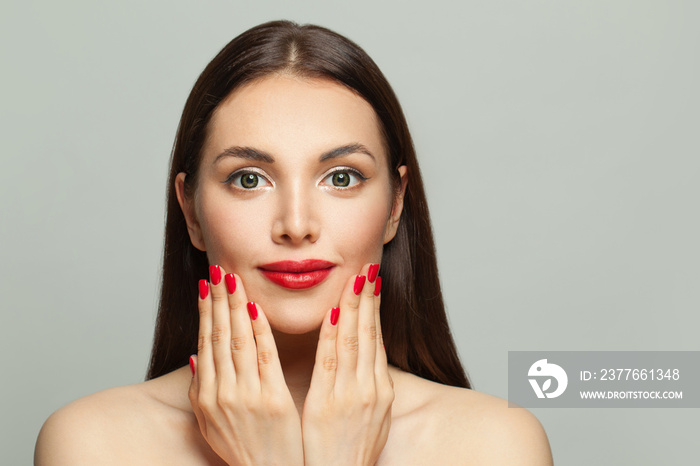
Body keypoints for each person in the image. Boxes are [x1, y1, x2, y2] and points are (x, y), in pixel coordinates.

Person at [35, 20, 553, 465]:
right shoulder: (92, 444)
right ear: (191, 210)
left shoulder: (494, 445)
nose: (296, 224)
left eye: (343, 178)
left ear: (395, 206)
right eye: (249, 178)